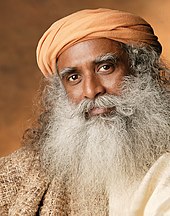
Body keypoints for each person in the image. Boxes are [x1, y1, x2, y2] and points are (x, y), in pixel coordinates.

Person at [0, 8, 170, 216]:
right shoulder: (20, 173)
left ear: (141, 69)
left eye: (105, 67)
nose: (91, 91)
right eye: (73, 78)